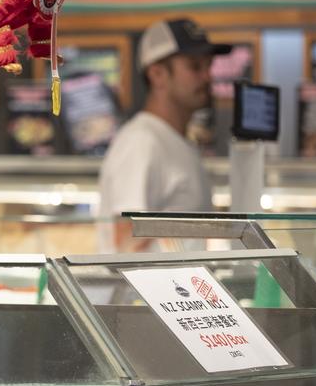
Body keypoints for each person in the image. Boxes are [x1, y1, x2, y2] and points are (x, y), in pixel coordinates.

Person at [97, 18, 230, 252]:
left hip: (178, 288)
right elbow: (126, 242)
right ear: (157, 74)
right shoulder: (141, 141)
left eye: (209, 66)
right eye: (195, 66)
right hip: (144, 290)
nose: (208, 77)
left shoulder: (175, 141)